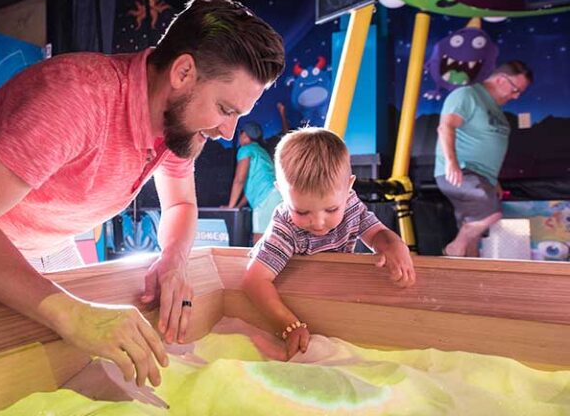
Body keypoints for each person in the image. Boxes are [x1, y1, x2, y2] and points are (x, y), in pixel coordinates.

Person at [0, 0, 285, 387]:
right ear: (183, 73)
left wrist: (173, 260)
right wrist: (71, 314)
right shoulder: (76, 100)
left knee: (81, 358)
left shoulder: (176, 122)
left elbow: (180, 206)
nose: (228, 133)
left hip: (49, 237)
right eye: (225, 110)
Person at [242, 128, 416, 359]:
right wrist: (289, 325)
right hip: (295, 304)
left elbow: (376, 234)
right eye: (302, 211)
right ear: (281, 192)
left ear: (349, 187)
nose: (318, 222)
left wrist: (394, 246)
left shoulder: (351, 204)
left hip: (334, 300)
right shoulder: (285, 224)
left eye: (332, 209)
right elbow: (253, 281)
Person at [435, 60, 533, 257]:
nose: (516, 96)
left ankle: (467, 275)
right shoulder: (467, 95)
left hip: (483, 176)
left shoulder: (495, 108)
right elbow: (446, 126)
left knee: (474, 238)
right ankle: (455, 246)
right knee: (491, 213)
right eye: (515, 89)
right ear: (500, 79)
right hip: (461, 172)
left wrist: (493, 180)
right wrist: (452, 163)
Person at [224, 121, 283, 243]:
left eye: (241, 133)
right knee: (274, 240)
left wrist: (230, 207)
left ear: (245, 135)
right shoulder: (261, 151)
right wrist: (237, 206)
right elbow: (250, 189)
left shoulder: (245, 150)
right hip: (276, 195)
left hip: (265, 199)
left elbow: (239, 180)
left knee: (259, 242)